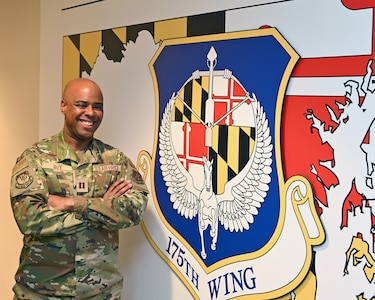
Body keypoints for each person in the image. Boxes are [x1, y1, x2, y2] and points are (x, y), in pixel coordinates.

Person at [10, 78, 149, 299]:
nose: (91, 113)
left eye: (97, 106)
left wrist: (73, 203)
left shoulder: (115, 160)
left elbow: (135, 211)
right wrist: (104, 208)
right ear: (63, 106)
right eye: (82, 104)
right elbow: (30, 218)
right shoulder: (35, 158)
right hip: (42, 291)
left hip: (101, 292)